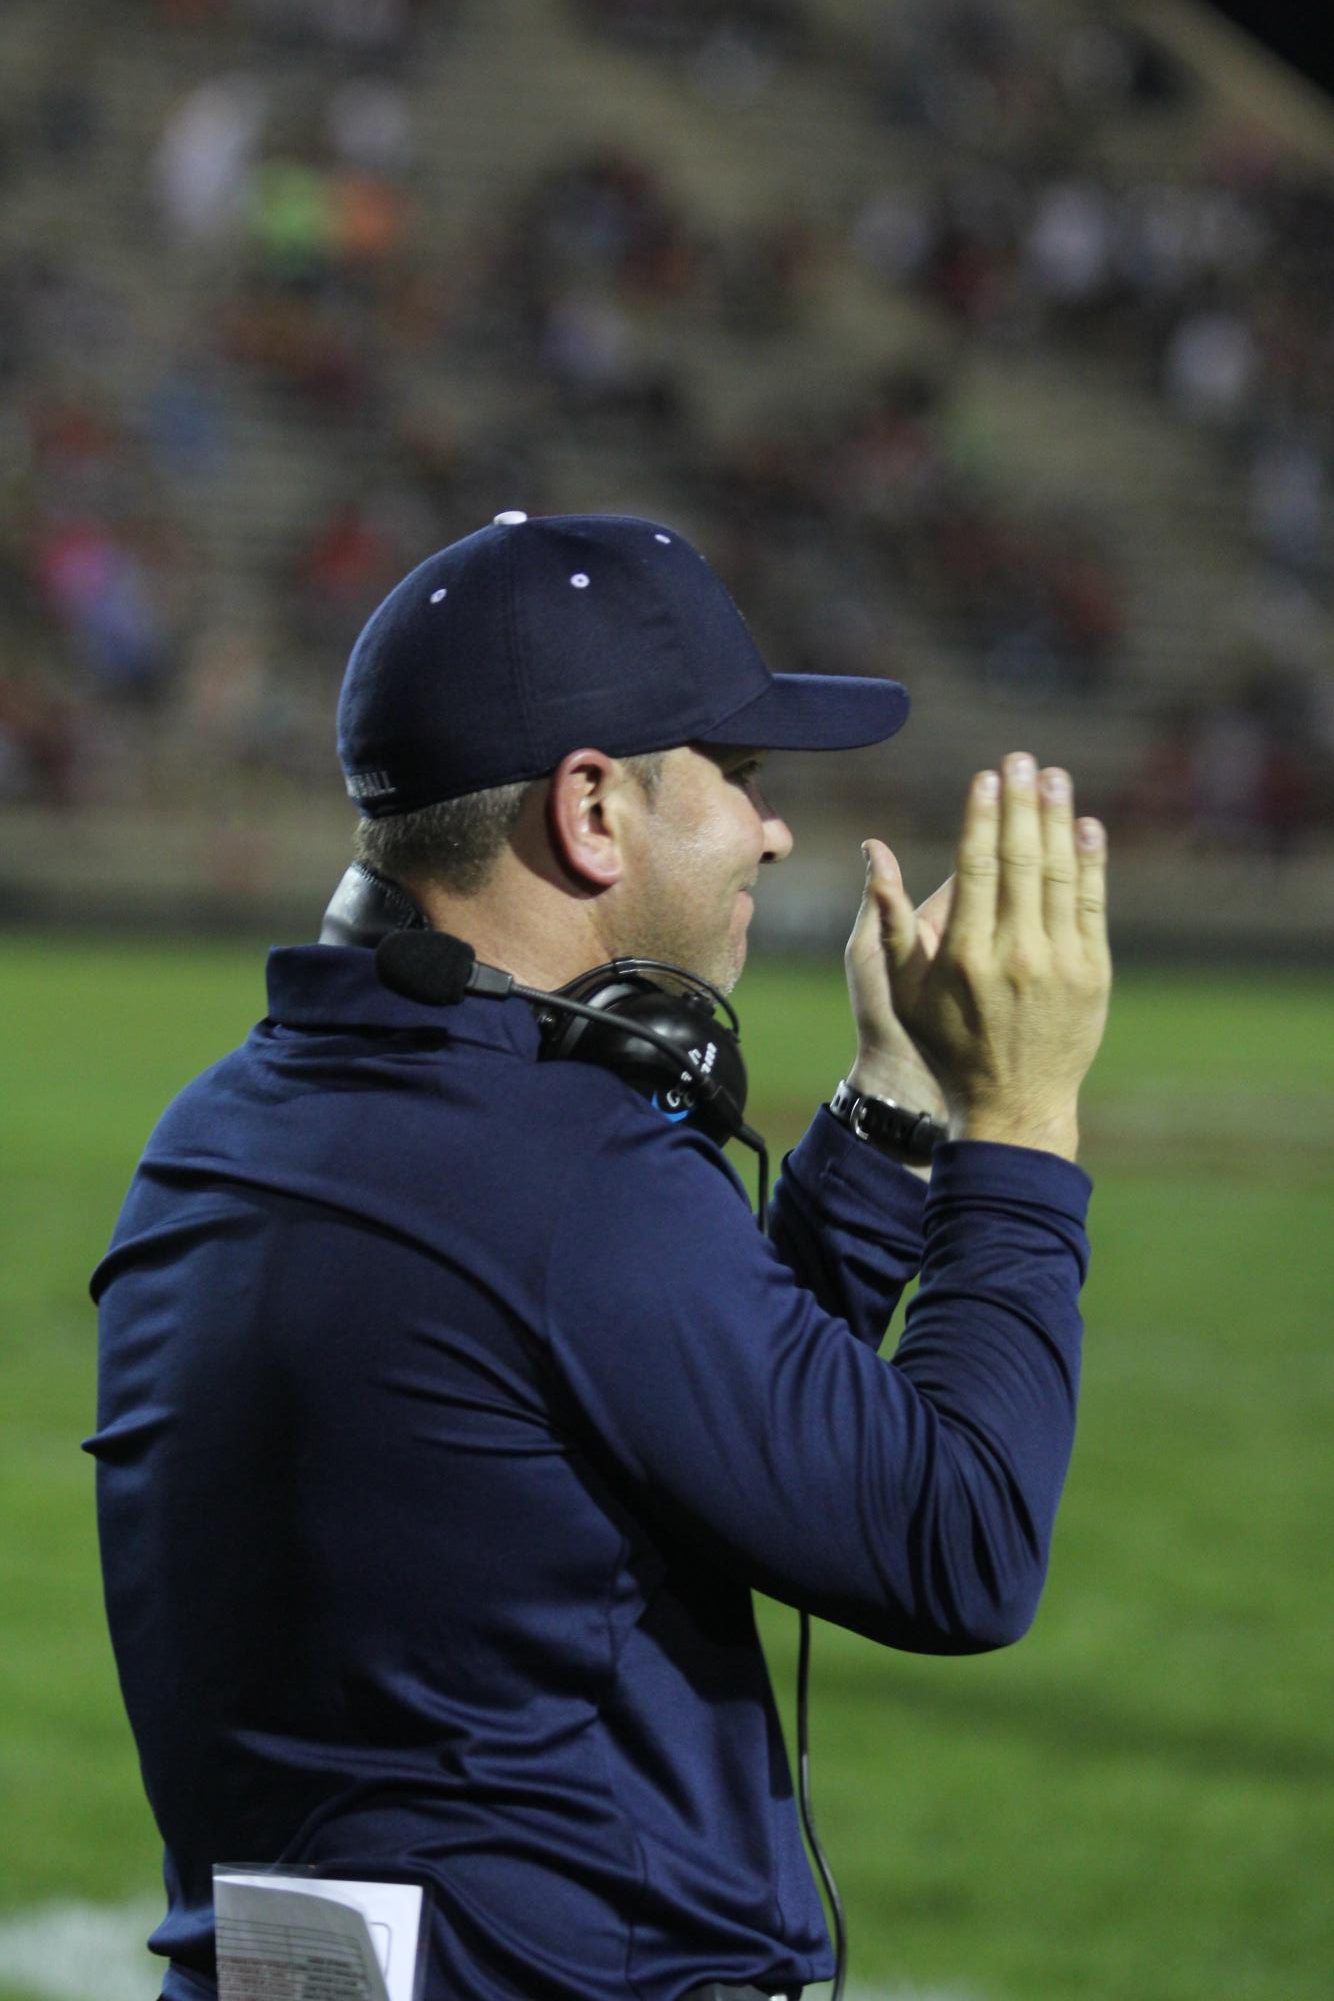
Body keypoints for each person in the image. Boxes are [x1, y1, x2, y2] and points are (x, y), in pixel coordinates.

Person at [89, 510, 1110, 2001]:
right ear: (590, 812)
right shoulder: (564, 1166)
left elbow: (671, 1410)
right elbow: (955, 1542)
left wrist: (891, 1103)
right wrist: (1017, 1119)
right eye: (739, 778)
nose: (768, 829)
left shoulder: (221, 1129)